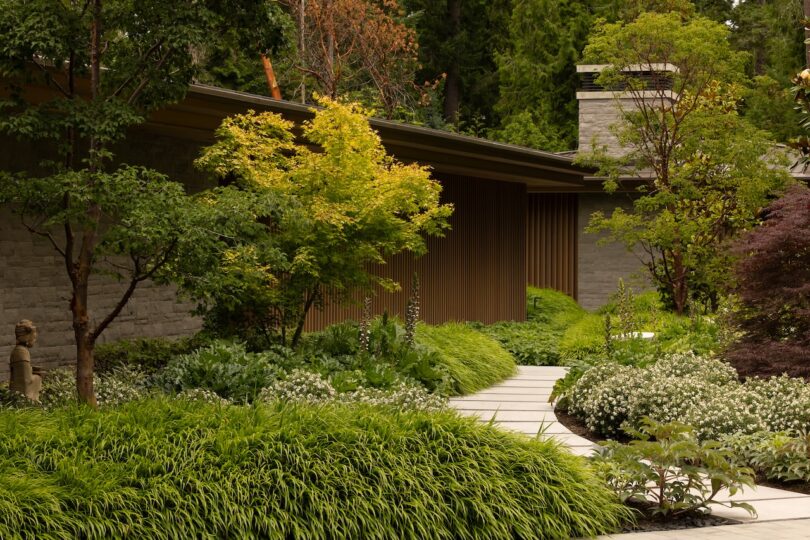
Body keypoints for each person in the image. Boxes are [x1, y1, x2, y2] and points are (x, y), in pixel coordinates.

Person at [9, 319, 43, 401]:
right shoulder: (21, 352)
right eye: (34, 338)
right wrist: (38, 377)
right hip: (21, 396)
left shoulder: (20, 350)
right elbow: (25, 380)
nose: (35, 340)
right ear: (27, 337)